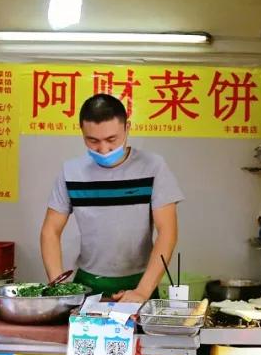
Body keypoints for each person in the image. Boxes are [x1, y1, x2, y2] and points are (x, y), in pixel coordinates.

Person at [41, 93, 182, 303]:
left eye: (111, 140)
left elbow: (167, 232)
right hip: (88, 282)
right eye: (93, 141)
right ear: (82, 132)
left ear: (127, 128)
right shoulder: (71, 171)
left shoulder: (153, 166)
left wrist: (142, 291)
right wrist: (58, 286)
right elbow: (50, 230)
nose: (104, 149)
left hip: (141, 281)